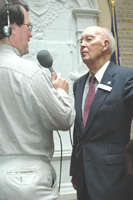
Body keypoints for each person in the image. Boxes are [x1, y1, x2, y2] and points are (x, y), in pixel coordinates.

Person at [0, 0, 75, 200]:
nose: (31, 33)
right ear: (11, 28)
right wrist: (60, 92)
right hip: (28, 181)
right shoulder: (30, 72)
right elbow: (64, 119)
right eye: (29, 27)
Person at [70, 25, 133, 200]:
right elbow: (79, 132)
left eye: (89, 39)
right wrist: (75, 169)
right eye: (81, 40)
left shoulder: (126, 77)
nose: (82, 45)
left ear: (105, 45)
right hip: (83, 176)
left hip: (115, 176)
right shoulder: (79, 85)